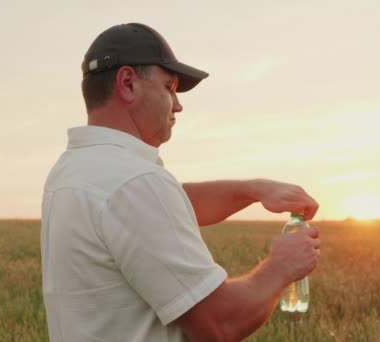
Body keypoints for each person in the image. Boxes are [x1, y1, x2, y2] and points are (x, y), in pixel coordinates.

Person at [41, 23, 321, 342]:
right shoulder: (135, 182)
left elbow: (164, 207)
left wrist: (254, 190)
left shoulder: (76, 167)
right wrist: (282, 266)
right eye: (169, 87)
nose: (178, 105)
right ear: (128, 83)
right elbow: (220, 324)